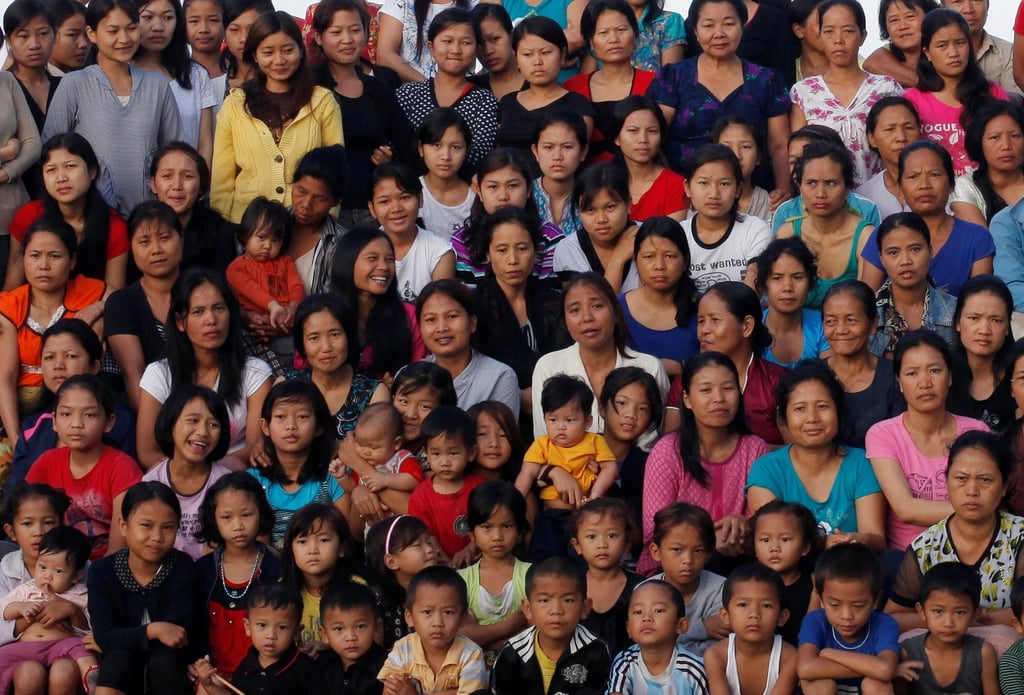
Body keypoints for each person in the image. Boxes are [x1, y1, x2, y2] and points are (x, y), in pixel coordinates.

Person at [886, 431, 1024, 654]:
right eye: (961, 478)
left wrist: (978, 621)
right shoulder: (926, 546)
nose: (972, 491)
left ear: (1005, 486)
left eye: (985, 480)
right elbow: (893, 617)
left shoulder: (1020, 537)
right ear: (946, 481)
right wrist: (948, 621)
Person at [42, 0, 181, 215]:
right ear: (92, 33)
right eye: (113, 31)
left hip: (149, 218)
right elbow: (50, 151)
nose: (124, 39)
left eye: (131, 28)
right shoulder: (75, 83)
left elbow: (174, 152)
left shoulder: (158, 86)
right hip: (91, 219)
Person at [640, 353, 769, 576]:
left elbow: (769, 520)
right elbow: (656, 528)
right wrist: (706, 540)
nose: (718, 398)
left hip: (742, 564)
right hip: (677, 568)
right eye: (706, 390)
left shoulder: (755, 448)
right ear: (687, 399)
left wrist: (743, 525)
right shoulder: (668, 451)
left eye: (728, 388)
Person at [647, 0, 791, 200]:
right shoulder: (674, 77)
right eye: (708, 25)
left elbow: (779, 144)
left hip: (752, 198)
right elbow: (655, 138)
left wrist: (784, 189)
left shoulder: (766, 81)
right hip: (683, 196)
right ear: (695, 31)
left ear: (742, 25)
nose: (719, 33)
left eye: (729, 24)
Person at [210, 11, 343, 223]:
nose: (279, 60)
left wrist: (325, 226)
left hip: (305, 226)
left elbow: (335, 172)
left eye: (287, 50)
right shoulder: (236, 105)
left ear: (300, 50)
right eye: (268, 52)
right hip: (248, 229)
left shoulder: (322, 101)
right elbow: (221, 181)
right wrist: (222, 227)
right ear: (255, 55)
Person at [136, 269, 273, 469]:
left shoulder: (255, 373)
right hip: (176, 480)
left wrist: (210, 473)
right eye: (198, 311)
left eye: (219, 308)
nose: (211, 320)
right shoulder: (158, 374)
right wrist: (187, 475)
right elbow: (148, 453)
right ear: (180, 322)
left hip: (234, 477)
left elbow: (255, 448)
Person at [866, 330, 988, 551]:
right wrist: (976, 509)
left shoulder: (977, 431)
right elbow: (906, 509)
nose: (925, 382)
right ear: (900, 382)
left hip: (970, 552)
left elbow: (992, 496)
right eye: (912, 373)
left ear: (949, 376)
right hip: (910, 558)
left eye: (934, 370)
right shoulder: (883, 435)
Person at [746, 361, 887, 550]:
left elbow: (876, 538)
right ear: (785, 417)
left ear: (838, 411)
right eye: (800, 409)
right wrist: (820, 544)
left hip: (848, 569)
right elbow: (772, 542)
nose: (812, 418)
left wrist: (856, 540)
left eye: (822, 406)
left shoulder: (861, 464)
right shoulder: (766, 470)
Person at [87, 482, 201, 694]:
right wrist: (153, 630)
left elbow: (177, 634)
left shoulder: (183, 568)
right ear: (123, 526)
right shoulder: (102, 572)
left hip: (170, 661)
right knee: (118, 661)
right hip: (119, 660)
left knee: (164, 662)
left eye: (167, 527)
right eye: (146, 525)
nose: (157, 537)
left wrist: (123, 637)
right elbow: (104, 636)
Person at [531, 273, 669, 449]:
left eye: (597, 306)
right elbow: (545, 442)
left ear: (616, 313)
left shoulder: (649, 367)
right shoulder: (549, 366)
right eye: (575, 310)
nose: (587, 317)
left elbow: (650, 442)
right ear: (565, 321)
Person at [0, 218, 109, 439]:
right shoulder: (10, 305)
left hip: (78, 410)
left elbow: (125, 299)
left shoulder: (88, 290)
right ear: (23, 260)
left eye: (55, 256)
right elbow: (5, 380)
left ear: (72, 261)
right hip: (20, 412)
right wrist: (17, 442)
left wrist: (99, 309)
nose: (43, 265)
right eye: (34, 255)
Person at [311, 0, 411, 230]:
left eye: (355, 30)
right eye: (336, 32)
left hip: (372, 209)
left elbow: (405, 145)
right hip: (323, 209)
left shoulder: (379, 88)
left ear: (367, 33)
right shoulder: (309, 86)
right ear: (319, 37)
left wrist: (389, 156)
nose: (347, 39)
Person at [9, 319, 135, 494]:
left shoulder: (119, 418)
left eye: (70, 356)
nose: (58, 366)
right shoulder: (33, 426)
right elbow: (17, 494)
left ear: (94, 366)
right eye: (49, 357)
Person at [26, 376, 141, 560]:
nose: (76, 424)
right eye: (66, 414)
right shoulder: (46, 463)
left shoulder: (122, 468)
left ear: (109, 422)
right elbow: (25, 519)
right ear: (54, 421)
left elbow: (119, 548)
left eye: (89, 415)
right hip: (52, 566)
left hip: (104, 570)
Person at [789, 0, 903, 186]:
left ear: (863, 36)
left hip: (884, 195)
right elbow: (797, 153)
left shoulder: (886, 88)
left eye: (848, 31)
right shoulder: (804, 92)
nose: (838, 40)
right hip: (824, 199)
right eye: (829, 31)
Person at [865, 141, 996, 297]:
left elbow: (979, 305)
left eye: (934, 175)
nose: (924, 185)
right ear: (900, 187)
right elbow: (864, 302)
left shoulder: (976, 238)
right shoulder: (883, 235)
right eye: (913, 176)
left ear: (952, 184)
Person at [471, 207, 569, 409]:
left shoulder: (555, 302)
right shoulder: (475, 307)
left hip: (557, 405)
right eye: (502, 250)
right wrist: (517, 395)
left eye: (522, 248)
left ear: (535, 250)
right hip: (496, 408)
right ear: (488, 254)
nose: (513, 260)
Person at [8, 132, 128, 293]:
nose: (61, 178)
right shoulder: (28, 216)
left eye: (70, 166)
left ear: (92, 171)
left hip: (90, 311)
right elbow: (11, 288)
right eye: (51, 170)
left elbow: (114, 296)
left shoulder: (114, 226)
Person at [517, 375, 617, 559]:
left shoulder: (595, 441)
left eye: (569, 420)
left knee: (581, 563)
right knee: (543, 560)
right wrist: (513, 503)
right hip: (551, 516)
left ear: (587, 421)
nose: (560, 427)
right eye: (553, 420)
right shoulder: (542, 444)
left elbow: (610, 468)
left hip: (584, 517)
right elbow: (527, 472)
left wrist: (596, 494)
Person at [193, 472, 281, 681]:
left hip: (263, 677)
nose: (238, 525)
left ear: (261, 514)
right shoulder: (203, 570)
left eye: (246, 515)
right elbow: (194, 625)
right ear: (214, 519)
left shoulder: (275, 566)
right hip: (214, 676)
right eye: (227, 517)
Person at [904, 9, 1009, 177]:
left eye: (960, 43)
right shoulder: (912, 100)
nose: (953, 53)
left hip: (987, 193)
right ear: (927, 53)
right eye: (942, 45)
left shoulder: (992, 94)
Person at [491, 556, 613, 695]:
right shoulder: (512, 654)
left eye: (568, 600)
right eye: (544, 600)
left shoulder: (597, 652)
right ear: (528, 608)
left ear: (585, 607)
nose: (556, 610)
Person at [247, 381, 348, 545]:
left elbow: (345, 536)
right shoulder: (253, 481)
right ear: (265, 426)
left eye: (302, 417)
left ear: (319, 427)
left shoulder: (335, 475)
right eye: (280, 417)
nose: (291, 426)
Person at [776, 141, 874, 309]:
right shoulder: (788, 233)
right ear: (799, 187)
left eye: (830, 183)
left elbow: (866, 307)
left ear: (847, 188)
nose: (820, 194)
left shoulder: (866, 236)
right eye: (811, 183)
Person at [396, 10, 498, 172]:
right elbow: (396, 144)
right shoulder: (408, 94)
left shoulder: (483, 100)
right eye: (447, 41)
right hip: (412, 187)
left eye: (465, 43)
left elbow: (482, 152)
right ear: (431, 47)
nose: (456, 50)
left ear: (476, 49)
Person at [689, 281, 787, 445]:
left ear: (747, 326)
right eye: (701, 321)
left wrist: (744, 453)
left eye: (715, 320)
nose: (704, 330)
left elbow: (798, 454)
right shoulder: (686, 382)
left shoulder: (778, 382)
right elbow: (672, 450)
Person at [450, 148, 565, 287]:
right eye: (493, 187)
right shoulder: (463, 240)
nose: (503, 196)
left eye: (512, 186)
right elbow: (467, 301)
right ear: (479, 191)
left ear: (528, 189)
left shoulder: (550, 238)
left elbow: (552, 298)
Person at [0, 526, 95, 693]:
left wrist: (72, 611)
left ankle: (91, 671)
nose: (47, 576)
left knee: (78, 645)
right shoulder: (27, 589)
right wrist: (21, 608)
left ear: (76, 575)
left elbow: (89, 629)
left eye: (58, 571)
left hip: (60, 646)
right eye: (42, 567)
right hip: (26, 647)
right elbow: (4, 608)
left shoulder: (80, 594)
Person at [141, 385, 231, 560]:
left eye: (213, 424)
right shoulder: (152, 482)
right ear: (171, 423)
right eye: (193, 420)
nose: (203, 432)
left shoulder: (226, 485)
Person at [796, 544, 900, 694]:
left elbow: (884, 670)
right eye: (835, 605)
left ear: (876, 601)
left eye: (858, 606)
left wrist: (828, 653)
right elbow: (805, 668)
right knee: (821, 686)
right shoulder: (815, 621)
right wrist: (873, 667)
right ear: (820, 599)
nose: (846, 616)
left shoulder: (885, 624)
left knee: (876, 685)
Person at [330, 227, 427, 381]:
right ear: (348, 262)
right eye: (372, 258)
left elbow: (418, 375)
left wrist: (398, 387)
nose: (384, 267)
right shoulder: (322, 315)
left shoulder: (410, 316)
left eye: (389, 259)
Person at [564, 0, 655, 165]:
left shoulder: (656, 84)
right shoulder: (571, 88)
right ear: (591, 41)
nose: (614, 39)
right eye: (603, 32)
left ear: (635, 34)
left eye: (621, 30)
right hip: (586, 184)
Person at [495, 17, 595, 164]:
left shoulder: (577, 106)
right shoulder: (507, 103)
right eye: (528, 54)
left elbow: (575, 161)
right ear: (516, 59)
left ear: (562, 55)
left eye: (546, 52)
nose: (537, 62)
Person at [289, 294, 389, 441]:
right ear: (302, 345)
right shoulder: (288, 386)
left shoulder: (374, 394)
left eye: (335, 334)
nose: (326, 347)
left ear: (349, 337)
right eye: (314, 338)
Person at [193, 583, 327, 692]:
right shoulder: (246, 666)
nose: (271, 636)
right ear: (248, 627)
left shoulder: (305, 669)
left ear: (297, 632)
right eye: (262, 625)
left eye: (282, 627)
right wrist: (208, 684)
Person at [377, 566, 488, 694]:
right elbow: (390, 691)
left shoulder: (470, 654)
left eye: (448, 612)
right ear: (410, 617)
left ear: (463, 617)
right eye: (427, 612)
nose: (438, 623)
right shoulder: (403, 649)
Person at [896, 561, 1000, 695]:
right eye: (938, 611)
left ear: (975, 614)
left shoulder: (983, 653)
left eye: (960, 612)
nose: (948, 623)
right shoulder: (908, 652)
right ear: (921, 611)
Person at [418, 280, 520, 414]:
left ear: (472, 323)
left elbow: (498, 433)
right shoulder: (410, 376)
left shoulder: (499, 378)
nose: (442, 328)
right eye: (431, 319)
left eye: (451, 316)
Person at [821, 280, 903, 449]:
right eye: (831, 321)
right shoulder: (811, 377)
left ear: (873, 324)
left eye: (851, 320)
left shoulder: (894, 377)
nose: (841, 329)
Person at [680, 145, 772, 292]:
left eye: (724, 184)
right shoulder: (678, 235)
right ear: (687, 188)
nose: (714, 194)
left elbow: (754, 283)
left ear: (738, 189)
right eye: (703, 183)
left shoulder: (755, 230)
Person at [132, 0, 215, 164]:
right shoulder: (121, 74)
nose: (158, 27)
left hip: (188, 184)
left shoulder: (196, 75)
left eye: (167, 17)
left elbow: (205, 145)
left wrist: (198, 184)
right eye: (147, 17)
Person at [865, 212, 959, 358]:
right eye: (893, 253)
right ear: (881, 259)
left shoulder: (956, 311)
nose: (905, 261)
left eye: (915, 249)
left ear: (930, 251)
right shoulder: (867, 314)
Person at [226, 197, 304, 362]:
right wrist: (273, 306)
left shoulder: (285, 262)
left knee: (293, 354)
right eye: (261, 237)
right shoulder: (236, 268)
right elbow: (252, 290)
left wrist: (293, 308)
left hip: (285, 327)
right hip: (252, 329)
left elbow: (296, 286)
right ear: (244, 235)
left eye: (275, 240)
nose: (268, 246)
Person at [619, 216, 700, 376]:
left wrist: (681, 368)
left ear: (685, 261)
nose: (659, 266)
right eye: (649, 257)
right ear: (636, 260)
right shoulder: (616, 309)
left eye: (669, 256)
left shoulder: (705, 307)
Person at [455, 481, 531, 651]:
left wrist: (481, 635)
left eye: (507, 526)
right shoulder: (461, 581)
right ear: (472, 533)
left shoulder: (532, 576)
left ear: (519, 530)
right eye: (487, 527)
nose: (497, 536)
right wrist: (508, 627)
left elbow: (537, 631)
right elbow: (457, 634)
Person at [278, 504, 363, 650]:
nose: (313, 550)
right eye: (302, 542)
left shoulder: (358, 589)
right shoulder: (281, 591)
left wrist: (327, 648)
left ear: (342, 548)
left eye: (323, 540)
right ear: (291, 549)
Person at [704, 565, 799, 695]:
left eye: (766, 605)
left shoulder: (790, 658)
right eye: (743, 605)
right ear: (725, 615)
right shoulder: (716, 656)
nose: (754, 614)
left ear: (782, 617)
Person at [407, 407, 485, 564]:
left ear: (471, 453)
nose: (444, 462)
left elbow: (489, 526)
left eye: (453, 453)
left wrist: (470, 548)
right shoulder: (421, 496)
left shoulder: (480, 488)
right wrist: (447, 563)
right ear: (426, 454)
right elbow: (426, 536)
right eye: (436, 454)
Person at [369, 163, 456, 303]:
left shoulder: (439, 252)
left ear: (420, 199)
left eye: (404, 198)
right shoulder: (363, 250)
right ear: (372, 208)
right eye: (385, 201)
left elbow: (441, 308)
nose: (396, 208)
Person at [148, 141, 237, 276]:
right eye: (167, 176)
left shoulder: (220, 233)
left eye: (187, 176)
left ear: (201, 185)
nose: (177, 186)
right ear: (153, 184)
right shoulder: (141, 230)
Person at [648, 503, 726, 656]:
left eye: (698, 551)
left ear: (709, 554)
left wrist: (672, 638)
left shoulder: (721, 589)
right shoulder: (646, 592)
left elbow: (714, 650)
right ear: (656, 552)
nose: (688, 560)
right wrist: (701, 629)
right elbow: (649, 644)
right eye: (677, 549)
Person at [607, 579, 710, 695]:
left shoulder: (693, 669)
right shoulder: (625, 662)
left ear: (681, 625)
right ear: (629, 628)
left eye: (658, 610)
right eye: (638, 612)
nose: (646, 617)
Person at [552, 162, 640, 293]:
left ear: (628, 204)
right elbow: (594, 309)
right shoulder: (569, 250)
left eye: (610, 207)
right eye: (590, 210)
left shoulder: (649, 238)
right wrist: (618, 259)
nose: (601, 219)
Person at [571, 497, 641, 654]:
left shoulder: (641, 588)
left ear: (627, 542)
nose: (602, 544)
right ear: (577, 545)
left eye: (612, 535)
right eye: (591, 537)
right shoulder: (570, 586)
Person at [2, 0, 56, 201]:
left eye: (43, 33)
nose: (34, 44)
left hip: (65, 196)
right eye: (23, 36)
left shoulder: (68, 85)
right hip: (16, 196)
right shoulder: (6, 87)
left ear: (54, 34)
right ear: (9, 41)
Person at [948, 275, 1016, 431]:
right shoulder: (941, 371)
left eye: (996, 320)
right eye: (974, 318)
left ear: (1007, 327)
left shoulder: (1018, 377)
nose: (984, 330)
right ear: (958, 322)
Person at [750, 500, 821, 647]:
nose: (774, 547)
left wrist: (816, 594)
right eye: (765, 540)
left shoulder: (814, 584)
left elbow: (814, 636)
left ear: (805, 547)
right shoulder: (746, 584)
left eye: (785, 539)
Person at [363, 515, 441, 649]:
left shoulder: (444, 588)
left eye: (428, 542)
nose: (429, 549)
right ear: (391, 561)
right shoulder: (375, 601)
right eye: (417, 545)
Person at [599, 369, 662, 529]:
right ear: (602, 408)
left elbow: (637, 525)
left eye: (642, 409)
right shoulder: (579, 447)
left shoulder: (648, 465)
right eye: (622, 403)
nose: (631, 414)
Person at [757, 238, 830, 367]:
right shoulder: (752, 330)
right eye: (777, 278)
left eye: (798, 277)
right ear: (764, 285)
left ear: (810, 283)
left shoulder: (824, 326)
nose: (788, 287)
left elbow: (829, 379)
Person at [951, 100, 1024, 226]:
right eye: (995, 137)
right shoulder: (965, 187)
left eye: (1015, 136)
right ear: (979, 142)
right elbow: (982, 243)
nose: (1006, 146)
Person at [614, 96, 686, 222]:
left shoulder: (675, 185)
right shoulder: (603, 181)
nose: (643, 139)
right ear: (617, 138)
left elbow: (671, 238)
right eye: (633, 130)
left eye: (652, 131)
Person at [414, 109, 476, 242]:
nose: (446, 156)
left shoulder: (477, 195)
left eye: (455, 147)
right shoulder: (411, 193)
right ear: (421, 148)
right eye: (436, 145)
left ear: (467, 149)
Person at [374, 0, 472, 82]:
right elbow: (385, 55)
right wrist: (429, 88)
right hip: (409, 94)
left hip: (464, 94)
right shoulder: (400, 2)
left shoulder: (474, 3)